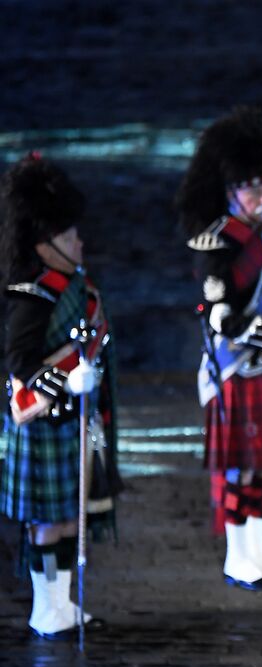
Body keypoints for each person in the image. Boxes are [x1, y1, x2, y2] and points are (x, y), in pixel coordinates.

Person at [175, 106, 262, 590]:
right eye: (250, 186)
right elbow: (221, 318)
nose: (261, 194)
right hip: (235, 365)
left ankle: (260, 549)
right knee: (239, 466)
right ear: (230, 191)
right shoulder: (216, 244)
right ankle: (237, 556)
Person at [1, 154, 119, 638]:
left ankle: (64, 602)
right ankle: (47, 605)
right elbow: (19, 361)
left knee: (72, 517)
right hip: (46, 421)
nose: (80, 242)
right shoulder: (32, 295)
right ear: (44, 245)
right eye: (69, 237)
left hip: (76, 421)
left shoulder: (79, 286)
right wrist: (65, 381)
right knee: (48, 522)